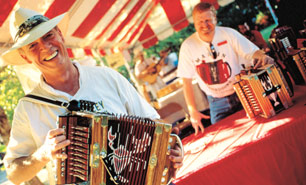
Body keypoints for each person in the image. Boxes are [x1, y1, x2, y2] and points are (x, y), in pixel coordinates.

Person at [1, 7, 183, 184]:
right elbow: (14, 174)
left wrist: (174, 149)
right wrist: (42, 155)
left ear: (60, 34)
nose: (45, 47)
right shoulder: (27, 109)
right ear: (25, 57)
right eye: (33, 45)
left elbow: (155, 125)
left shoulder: (107, 76)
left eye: (48, 35)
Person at [177, 2, 274, 135]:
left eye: (208, 20)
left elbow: (252, 52)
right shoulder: (188, 46)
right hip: (216, 102)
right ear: (194, 23)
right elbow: (186, 81)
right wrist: (192, 110)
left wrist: (262, 55)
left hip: (243, 92)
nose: (205, 25)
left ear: (215, 19)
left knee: (261, 130)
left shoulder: (229, 34)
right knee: (226, 137)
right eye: (200, 21)